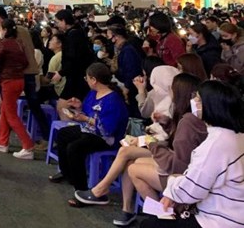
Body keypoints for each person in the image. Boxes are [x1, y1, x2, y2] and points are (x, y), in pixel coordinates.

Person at [74, 74, 207, 226]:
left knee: (131, 165)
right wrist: (167, 124)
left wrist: (151, 143)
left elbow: (178, 161)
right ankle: (130, 209)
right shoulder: (186, 115)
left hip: (177, 171)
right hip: (171, 157)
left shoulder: (188, 120)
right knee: (129, 159)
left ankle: (160, 214)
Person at [140, 80, 244, 228]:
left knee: (148, 225)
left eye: (198, 99)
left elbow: (192, 192)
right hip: (233, 213)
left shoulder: (217, 143)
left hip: (219, 220)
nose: (194, 102)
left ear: (211, 106)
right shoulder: (236, 135)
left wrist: (171, 187)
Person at [50, 63, 129, 192]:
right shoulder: (93, 93)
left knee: (74, 147)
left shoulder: (113, 100)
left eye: (87, 78)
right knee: (63, 134)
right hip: (90, 130)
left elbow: (108, 129)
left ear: (94, 80)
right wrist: (79, 107)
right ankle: (67, 173)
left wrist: (86, 119)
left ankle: (81, 188)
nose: (86, 81)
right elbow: (88, 112)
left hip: (106, 138)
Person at [0, 6, 50, 148]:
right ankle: (3, 140)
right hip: (30, 72)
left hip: (12, 76)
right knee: (29, 106)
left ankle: (26, 143)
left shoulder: (2, 38)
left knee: (10, 110)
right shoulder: (24, 30)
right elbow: (29, 52)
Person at [0, 19, 35, 160]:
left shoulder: (2, 44)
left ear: (4, 29)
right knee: (5, 110)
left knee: (11, 114)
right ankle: (2, 142)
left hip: (8, 82)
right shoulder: (18, 43)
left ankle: (28, 146)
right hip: (19, 80)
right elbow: (25, 62)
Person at [51, 10, 94, 112]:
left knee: (62, 107)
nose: (57, 25)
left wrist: (61, 73)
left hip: (76, 78)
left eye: (57, 22)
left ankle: (70, 128)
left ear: (64, 21)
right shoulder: (76, 32)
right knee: (74, 108)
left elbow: (73, 58)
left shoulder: (73, 35)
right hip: (77, 76)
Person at [111, 26, 144, 117]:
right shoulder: (124, 50)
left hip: (132, 88)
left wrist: (127, 88)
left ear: (116, 37)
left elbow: (131, 70)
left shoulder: (128, 50)